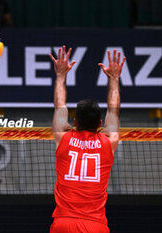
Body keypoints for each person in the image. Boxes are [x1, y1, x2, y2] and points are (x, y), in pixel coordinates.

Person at [49, 46, 126, 233]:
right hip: (95, 225)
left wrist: (60, 75)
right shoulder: (109, 141)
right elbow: (113, 110)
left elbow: (60, 105)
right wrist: (114, 79)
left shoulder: (63, 137)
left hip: (63, 224)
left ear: (74, 121)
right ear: (100, 123)